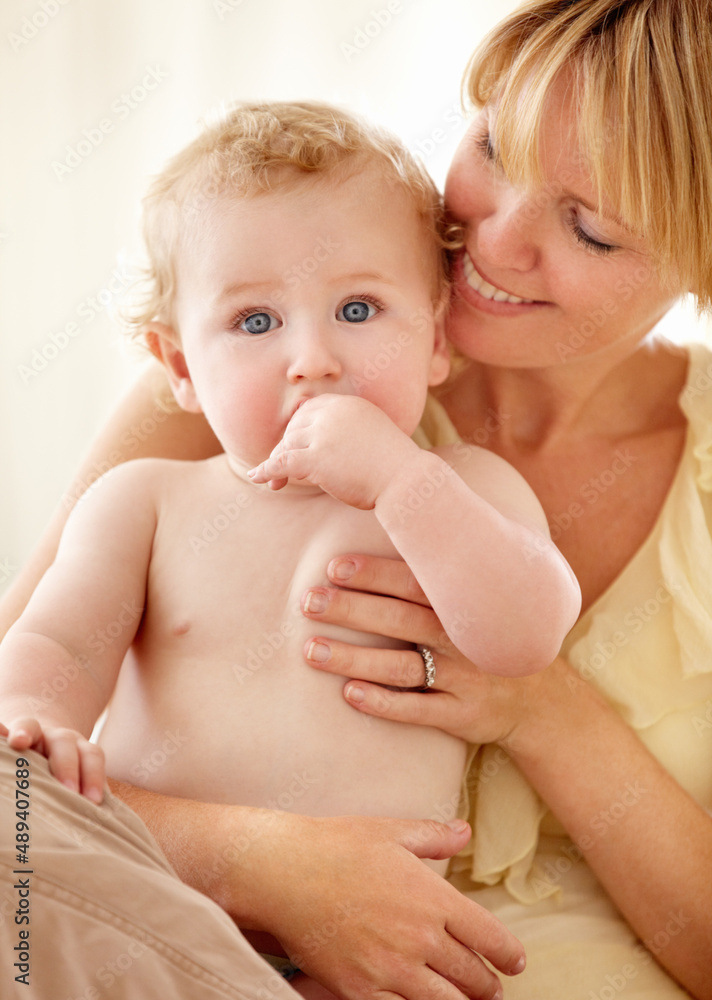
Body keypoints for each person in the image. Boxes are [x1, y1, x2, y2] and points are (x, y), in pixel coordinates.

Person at [2, 0, 711, 997]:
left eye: (589, 228)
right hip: (165, 906)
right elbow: (22, 734)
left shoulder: (455, 484)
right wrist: (258, 859)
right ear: (179, 362)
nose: (492, 241)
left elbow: (519, 633)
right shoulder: (209, 406)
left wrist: (541, 707)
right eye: (494, 147)